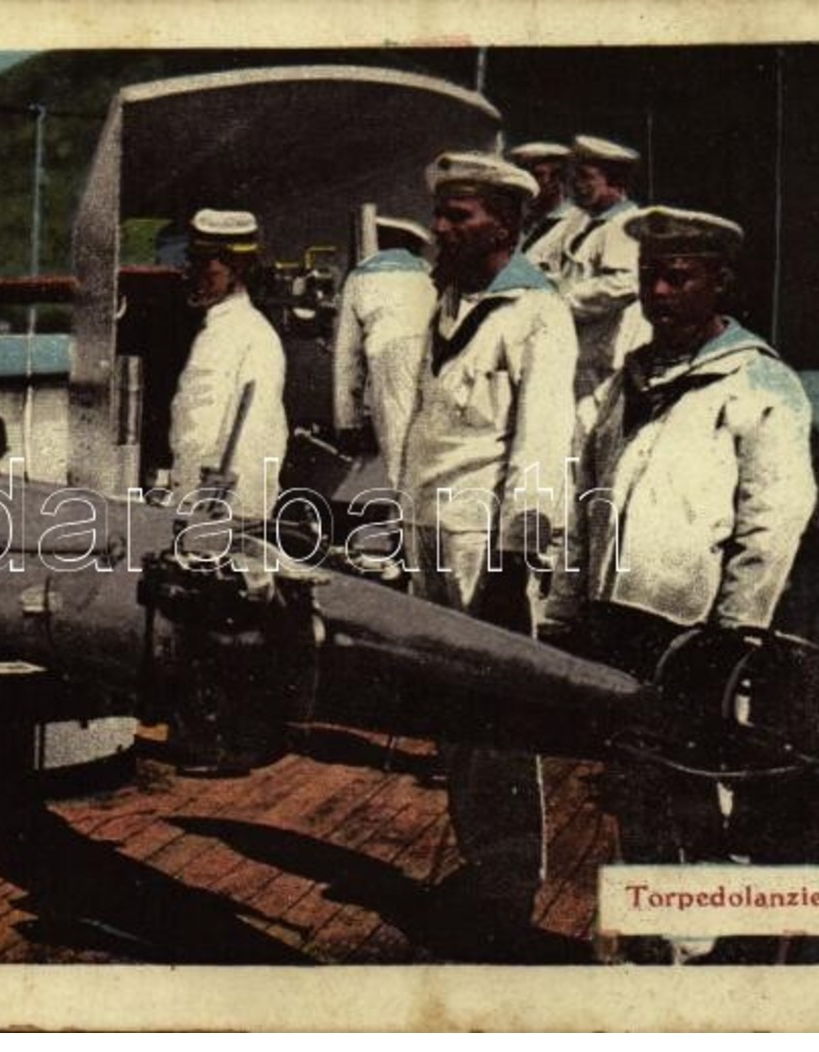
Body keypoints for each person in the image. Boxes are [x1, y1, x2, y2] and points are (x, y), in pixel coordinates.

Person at [541, 206, 817, 962]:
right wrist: (565, 605)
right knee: (632, 782)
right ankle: (642, 941)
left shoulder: (759, 383)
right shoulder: (626, 384)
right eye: (646, 277)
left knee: (693, 782)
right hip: (615, 616)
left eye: (676, 276)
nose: (656, 292)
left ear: (718, 281)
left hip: (694, 630)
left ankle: (691, 952)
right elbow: (583, 502)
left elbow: (772, 521)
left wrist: (732, 634)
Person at [401, 151, 580, 954]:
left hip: (486, 548)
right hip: (431, 538)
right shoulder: (450, 307)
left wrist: (513, 564)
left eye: (459, 216)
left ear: (503, 224)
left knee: (498, 719)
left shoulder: (536, 314)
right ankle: (481, 867)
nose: (441, 228)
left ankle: (508, 891)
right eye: (441, 214)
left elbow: (542, 447)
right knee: (452, 714)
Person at [167, 209, 288, 519]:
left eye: (205, 266)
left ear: (235, 269)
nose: (194, 275)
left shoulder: (247, 335)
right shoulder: (224, 328)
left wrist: (218, 508)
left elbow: (251, 435)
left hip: (221, 510)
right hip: (205, 503)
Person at [330, 214, 437, 490]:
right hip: (434, 356)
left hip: (388, 359)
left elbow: (347, 357)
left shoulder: (360, 276)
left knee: (398, 453)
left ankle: (404, 521)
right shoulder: (429, 273)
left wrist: (348, 422)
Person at [557, 134, 651, 402]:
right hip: (588, 355)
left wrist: (563, 301)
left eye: (587, 177)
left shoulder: (622, 225)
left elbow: (625, 284)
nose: (577, 185)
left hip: (606, 360)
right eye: (576, 177)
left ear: (615, 182)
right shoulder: (593, 226)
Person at [505, 141, 584, 278]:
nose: (524, 185)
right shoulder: (515, 222)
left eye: (535, 175)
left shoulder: (578, 226)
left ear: (557, 178)